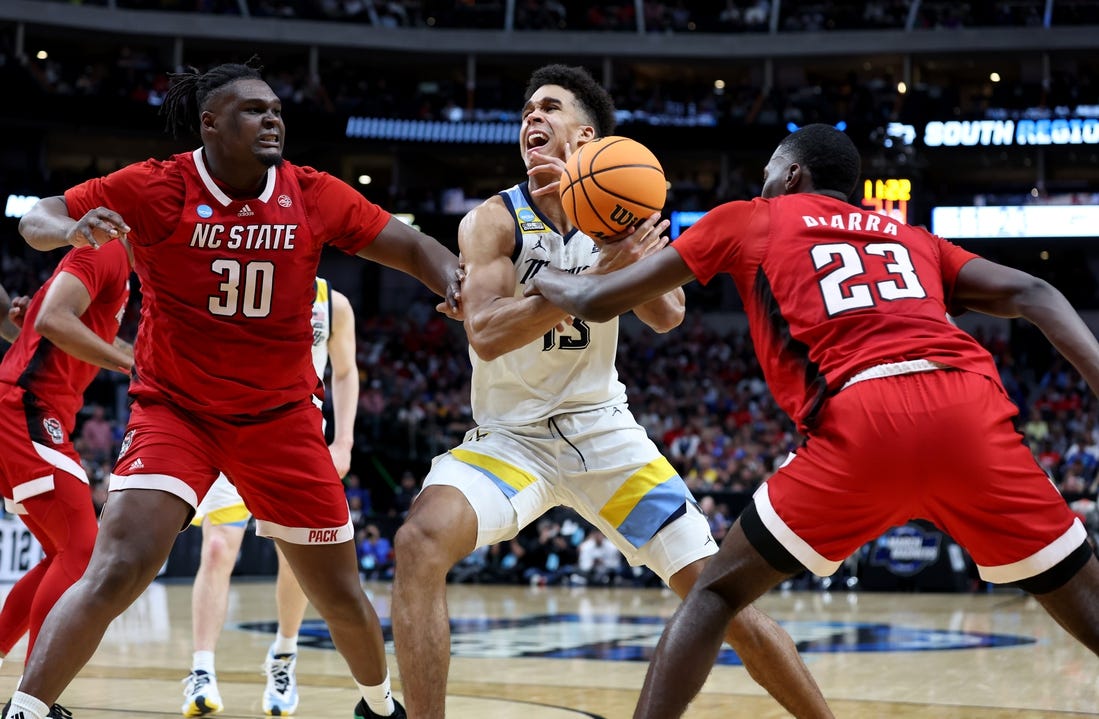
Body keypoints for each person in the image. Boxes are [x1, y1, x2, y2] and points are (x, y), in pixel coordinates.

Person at [527, 123, 1099, 718]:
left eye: (771, 169)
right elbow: (1035, 292)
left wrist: (539, 274)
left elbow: (597, 301)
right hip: (971, 412)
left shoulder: (750, 216)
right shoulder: (912, 238)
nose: (764, 181)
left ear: (793, 174)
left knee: (716, 593)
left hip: (864, 418)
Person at [12, 59, 460, 719]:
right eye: (253, 109)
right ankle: (26, 708)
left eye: (276, 107)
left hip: (281, 418)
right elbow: (38, 216)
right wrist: (66, 230)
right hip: (176, 411)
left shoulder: (311, 192)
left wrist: (454, 281)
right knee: (117, 565)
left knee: (337, 592)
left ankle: (377, 702)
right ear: (211, 123)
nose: (272, 116)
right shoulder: (156, 185)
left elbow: (414, 246)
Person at [390, 64, 832, 719]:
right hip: (510, 441)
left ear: (585, 134)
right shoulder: (494, 221)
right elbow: (483, 333)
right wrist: (594, 281)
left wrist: (622, 255)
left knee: (719, 596)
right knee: (417, 542)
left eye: (548, 107)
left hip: (603, 435)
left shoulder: (619, 206)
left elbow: (670, 314)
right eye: (525, 111)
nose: (530, 118)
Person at [181, 277, 359, 717]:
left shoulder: (333, 303)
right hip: (230, 428)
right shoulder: (240, 279)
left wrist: (344, 441)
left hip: (295, 439)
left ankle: (284, 656)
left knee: (295, 558)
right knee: (218, 547)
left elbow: (346, 369)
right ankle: (201, 670)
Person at [0, 239, 132, 715]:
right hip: (27, 409)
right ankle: (32, 698)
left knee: (62, 552)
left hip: (28, 412)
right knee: (81, 551)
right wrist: (132, 365)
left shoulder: (118, 267)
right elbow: (52, 319)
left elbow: (51, 319)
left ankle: (28, 691)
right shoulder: (107, 252)